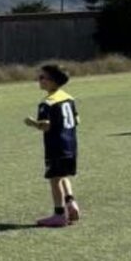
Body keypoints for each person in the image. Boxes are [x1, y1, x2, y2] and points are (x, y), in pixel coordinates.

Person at [24, 64, 81, 228]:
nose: (39, 80)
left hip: (56, 146)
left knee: (54, 179)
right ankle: (70, 202)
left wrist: (33, 123)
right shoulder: (68, 98)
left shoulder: (47, 103)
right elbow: (77, 120)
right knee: (62, 175)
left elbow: (46, 126)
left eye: (42, 77)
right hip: (71, 145)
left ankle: (59, 214)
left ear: (53, 81)